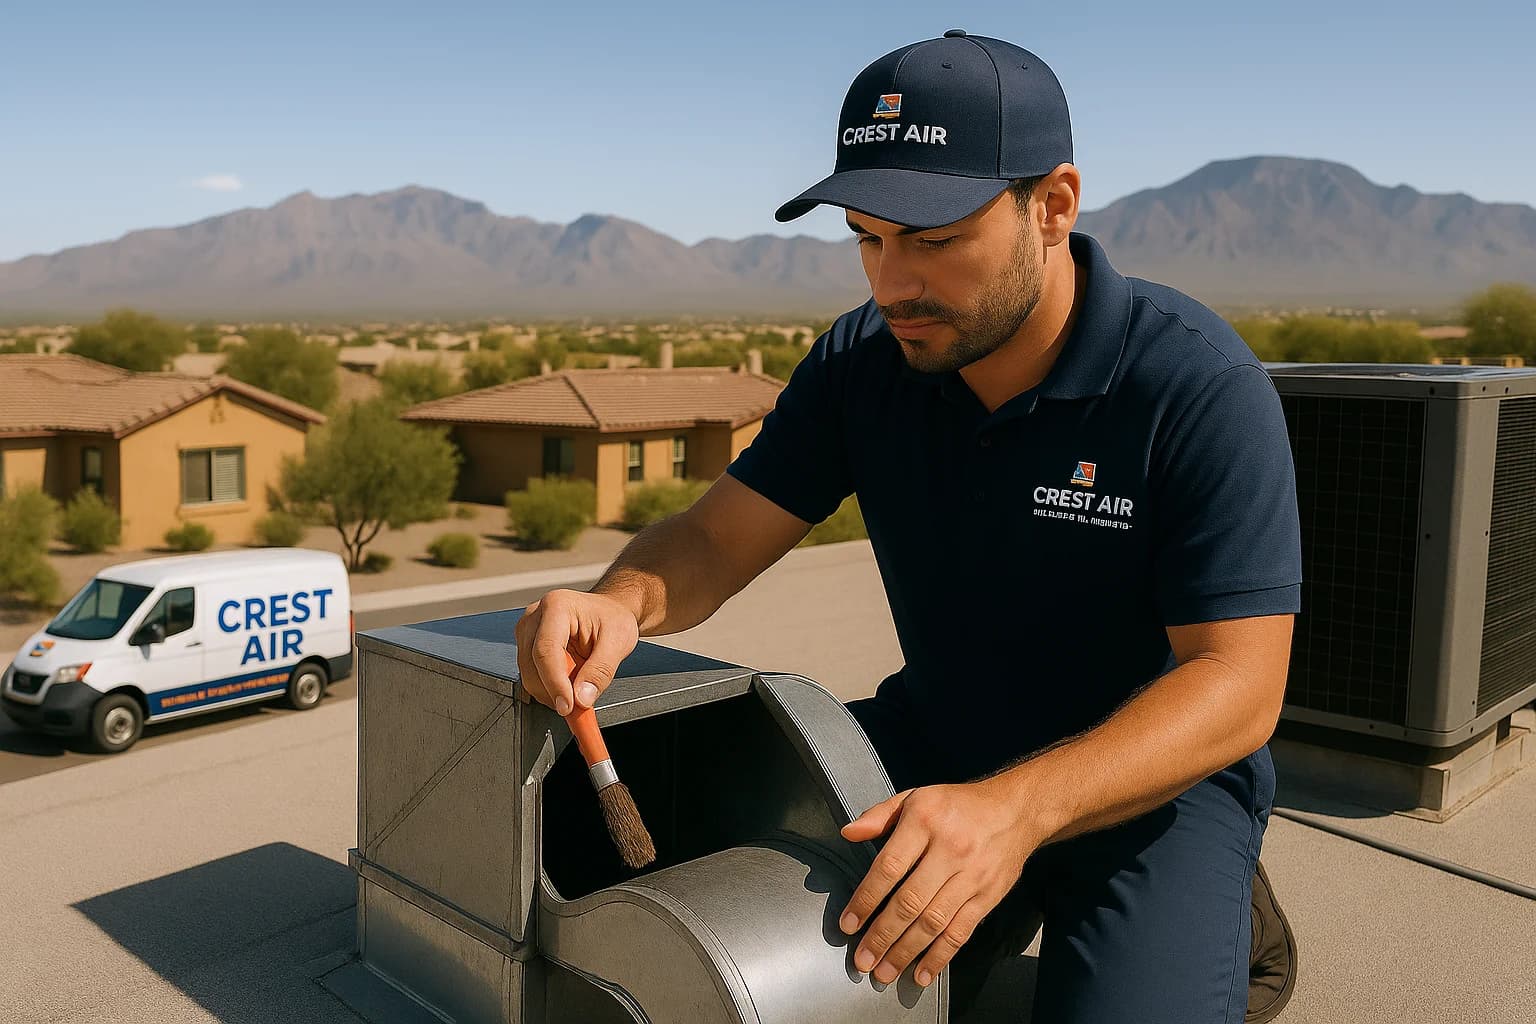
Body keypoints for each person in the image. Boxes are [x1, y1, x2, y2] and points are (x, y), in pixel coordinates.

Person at [515, 28, 1300, 1024]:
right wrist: (620, 602)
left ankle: (1227, 921)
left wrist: (1014, 814)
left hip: (1151, 789)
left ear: (1052, 206)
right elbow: (715, 539)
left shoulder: (1195, 386)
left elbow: (1240, 685)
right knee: (741, 955)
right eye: (868, 238)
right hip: (937, 744)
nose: (890, 282)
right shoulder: (864, 363)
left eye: (932, 239)